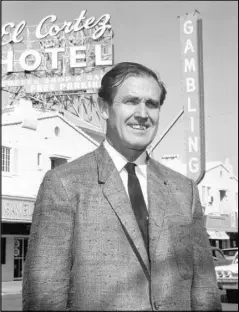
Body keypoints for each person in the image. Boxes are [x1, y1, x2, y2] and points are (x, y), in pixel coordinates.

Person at [22, 62, 222, 311]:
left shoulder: (185, 191)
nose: (142, 113)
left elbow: (204, 291)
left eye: (152, 104)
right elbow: (45, 297)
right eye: (131, 101)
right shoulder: (64, 185)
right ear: (104, 107)